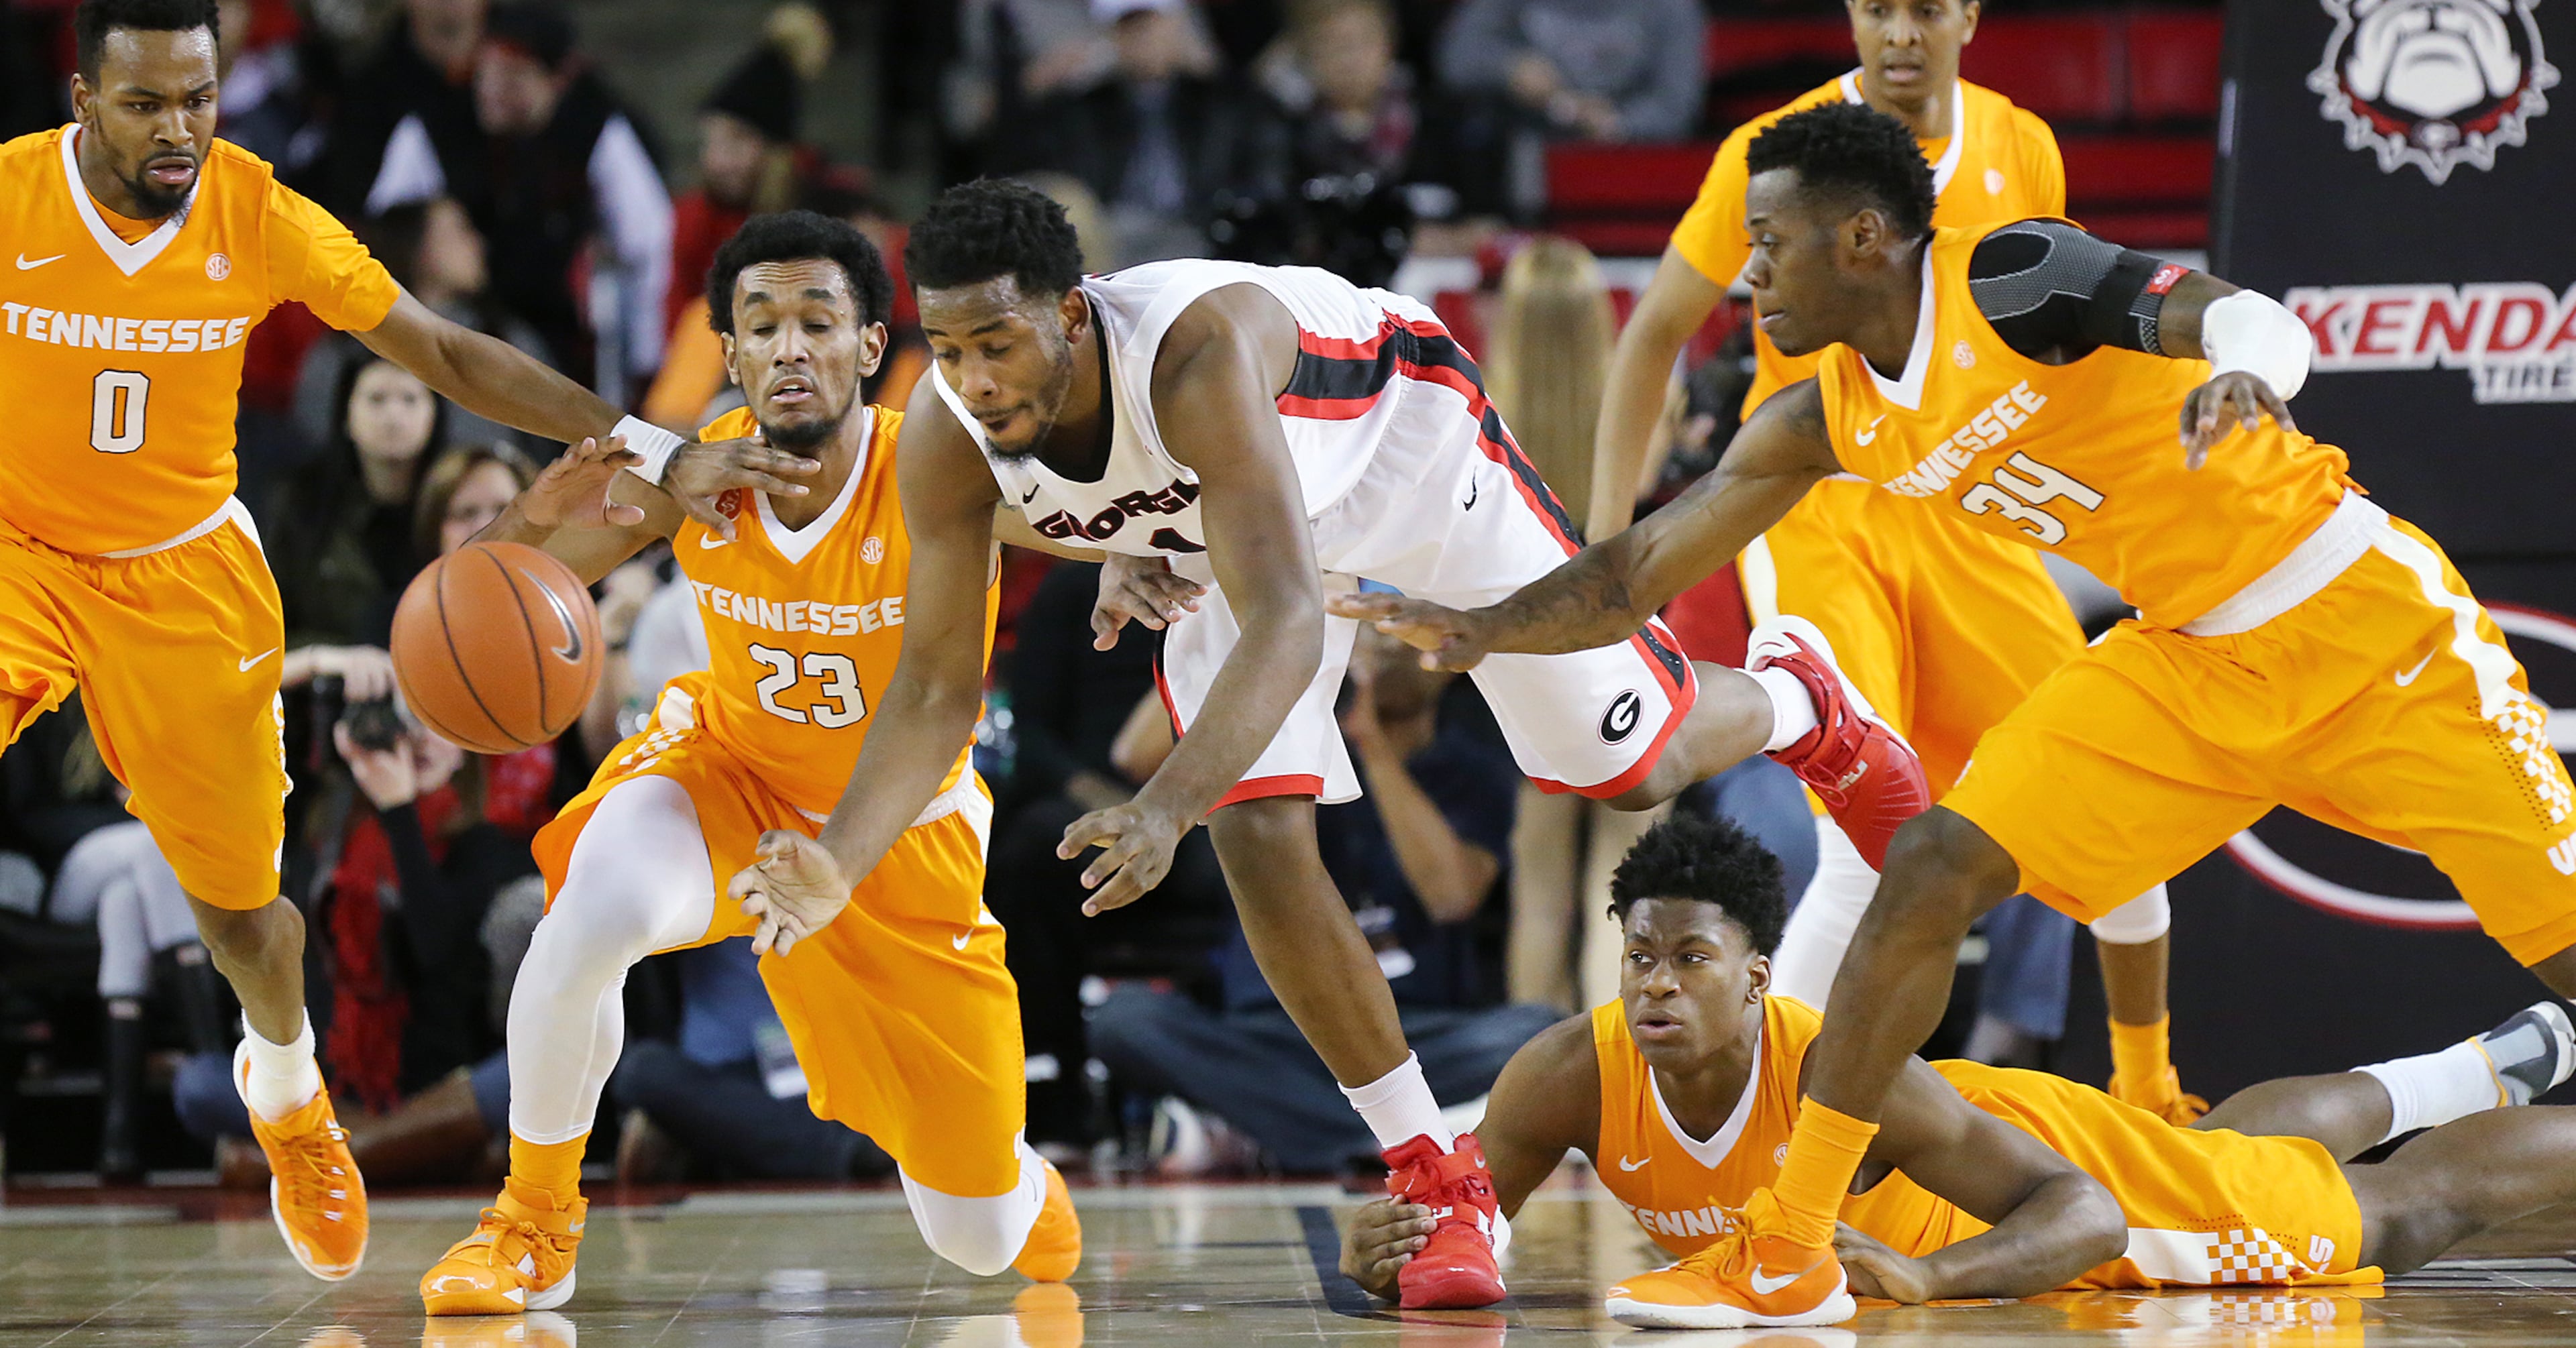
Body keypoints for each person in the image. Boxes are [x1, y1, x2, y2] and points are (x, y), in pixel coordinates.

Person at [1332, 101, 2576, 1325]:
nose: (1748, 273)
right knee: (1929, 860)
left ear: (1864, 239)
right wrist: (1483, 630)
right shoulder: (1821, 417)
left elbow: (2240, 315)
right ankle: (1791, 1236)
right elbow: (1631, 573)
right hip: (2187, 664)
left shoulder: (2012, 276)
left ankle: (2460, 1063)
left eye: (1772, 243)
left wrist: (2246, 372)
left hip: (2366, 628)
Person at [717, 178, 1936, 1311]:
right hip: (1240, 531)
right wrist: (836, 857)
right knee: (1259, 826)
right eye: (951, 348)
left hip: (1411, 457)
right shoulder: (943, 432)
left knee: (1629, 766)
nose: (975, 381)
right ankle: (1433, 1167)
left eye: (1000, 345)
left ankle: (1797, 701)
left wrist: (1160, 806)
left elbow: (1295, 617)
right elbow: (934, 685)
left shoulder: (1194, 353)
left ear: (1076, 319)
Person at [0, 0, 807, 1282]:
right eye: (147, 104)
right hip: (19, 553)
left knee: (249, 926)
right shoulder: (10, 201)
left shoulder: (257, 211)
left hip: (184, 577)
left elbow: (436, 350)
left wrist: (648, 444)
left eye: (199, 101)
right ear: (83, 101)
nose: (179, 130)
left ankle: (288, 1093)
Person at [417, 211, 1083, 1315]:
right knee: (590, 916)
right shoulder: (693, 469)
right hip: (726, 771)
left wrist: (1136, 565)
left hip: (893, 833)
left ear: (871, 346)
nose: (788, 347)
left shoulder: (948, 461)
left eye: (817, 321)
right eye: (759, 324)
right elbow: (492, 597)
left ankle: (1022, 1188)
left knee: (972, 1234)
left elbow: (1117, 520)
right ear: (725, 351)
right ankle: (533, 1224)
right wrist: (529, 520)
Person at [1583, 0, 2194, 1119]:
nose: (1899, 31)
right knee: (1863, 843)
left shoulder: (2024, 145)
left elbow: (2040, 357)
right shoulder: (1774, 152)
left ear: (1967, 13)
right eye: (1877, 8)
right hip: (1818, 502)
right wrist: (1605, 553)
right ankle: (1768, 1137)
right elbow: (1654, 329)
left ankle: (2148, 1085)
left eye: (1923, 7)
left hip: (1964, 505)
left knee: (2105, 788)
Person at [1339, 813, 2576, 1323]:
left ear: (1759, 976)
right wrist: (1388, 1240)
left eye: (1690, 960)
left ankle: (2474, 1096)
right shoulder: (1565, 1074)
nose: (1655, 983)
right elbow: (1463, 1224)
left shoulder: (1831, 1065)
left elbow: (2081, 1211)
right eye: (1639, 959)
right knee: (2225, 1157)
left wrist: (1933, 1281)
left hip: (2042, 1177)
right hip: (1996, 1138)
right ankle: (2477, 1064)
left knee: (2384, 1218)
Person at [1090, 627, 1558, 1172]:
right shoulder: (1277, 742)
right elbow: (1135, 755)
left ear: (1445, 659)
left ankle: (1261, 1130)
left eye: (1398, 634)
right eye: (1368, 631)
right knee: (1124, 1019)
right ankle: (1414, 1131)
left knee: (1535, 1031)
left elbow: (1453, 896)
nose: (1380, 649)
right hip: (1270, 1032)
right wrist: (1266, 638)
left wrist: (1374, 750)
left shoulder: (1472, 767)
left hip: (1414, 1034)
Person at [365, 0, 674, 402]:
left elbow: (645, 244)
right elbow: (393, 229)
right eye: (485, 71)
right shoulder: (436, 124)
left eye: (513, 75)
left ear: (558, 79)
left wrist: (644, 363)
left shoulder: (594, 129)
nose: (492, 89)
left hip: (562, 327)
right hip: (460, 320)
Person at [1435, 0, 1707, 144]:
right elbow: (1456, 58)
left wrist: (1618, 124)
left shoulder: (1672, 6)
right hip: (1522, 155)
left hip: (1628, 165)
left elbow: (1677, 105)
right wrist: (1510, 68)